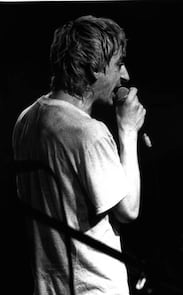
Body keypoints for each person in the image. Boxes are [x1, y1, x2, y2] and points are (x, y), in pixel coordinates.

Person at [12, 15, 146, 295]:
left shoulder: (25, 120)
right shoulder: (88, 132)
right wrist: (128, 130)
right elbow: (128, 210)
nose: (126, 76)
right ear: (94, 68)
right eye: (119, 64)